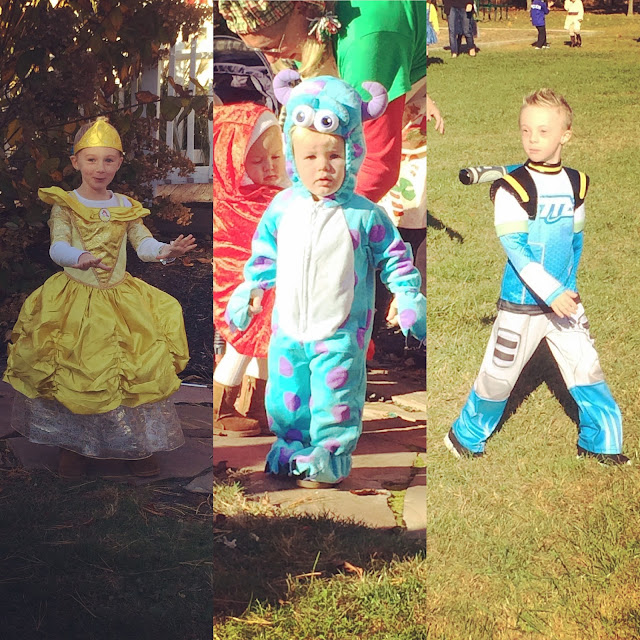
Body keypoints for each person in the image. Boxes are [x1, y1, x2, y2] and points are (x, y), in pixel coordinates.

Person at [226, 71, 426, 488]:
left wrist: (407, 295)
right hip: (287, 331)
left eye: (334, 155)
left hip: (340, 334)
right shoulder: (282, 207)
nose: (323, 167)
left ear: (353, 152)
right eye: (310, 157)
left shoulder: (364, 214)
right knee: (287, 395)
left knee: (335, 398)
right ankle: (290, 446)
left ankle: (329, 455)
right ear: (292, 157)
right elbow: (264, 254)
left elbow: (395, 257)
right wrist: (252, 289)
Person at [3, 118, 196, 478]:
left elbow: (143, 244)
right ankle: (73, 446)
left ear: (119, 162)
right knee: (77, 369)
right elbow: (58, 246)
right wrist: (78, 257)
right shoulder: (66, 205)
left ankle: (136, 446)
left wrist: (166, 250)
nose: (100, 168)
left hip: (120, 297)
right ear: (75, 162)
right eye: (91, 160)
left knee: (133, 368)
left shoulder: (126, 205)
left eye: (108, 160)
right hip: (75, 298)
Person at [444, 89, 629, 465]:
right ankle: (465, 436)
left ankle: (602, 442)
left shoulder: (577, 183)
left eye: (544, 131)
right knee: (498, 377)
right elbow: (516, 248)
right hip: (522, 303)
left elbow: (575, 242)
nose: (532, 139)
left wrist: (567, 290)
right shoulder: (512, 188)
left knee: (587, 370)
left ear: (566, 135)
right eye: (526, 130)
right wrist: (552, 291)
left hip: (565, 302)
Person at [217, 0, 427, 205]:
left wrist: (323, 217)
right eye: (260, 51)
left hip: (403, 94)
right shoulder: (304, 27)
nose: (271, 59)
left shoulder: (365, 42)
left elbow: (377, 165)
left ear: (302, 7)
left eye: (273, 46)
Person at [213, 103, 287, 437]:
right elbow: (235, 248)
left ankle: (256, 403)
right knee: (242, 342)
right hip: (244, 289)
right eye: (257, 161)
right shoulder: (233, 204)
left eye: (276, 157)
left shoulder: (278, 194)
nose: (270, 167)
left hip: (275, 287)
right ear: (233, 160)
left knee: (267, 342)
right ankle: (221, 407)